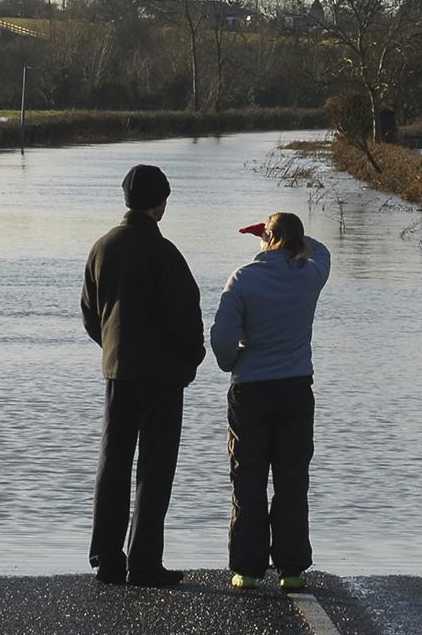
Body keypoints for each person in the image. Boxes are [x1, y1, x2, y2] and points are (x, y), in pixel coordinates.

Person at [80, 164, 205, 587]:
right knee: (154, 466)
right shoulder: (165, 253)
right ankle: (145, 561)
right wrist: (192, 360)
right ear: (160, 202)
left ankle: (108, 556)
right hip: (162, 377)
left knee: (113, 460)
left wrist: (113, 350)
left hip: (118, 371)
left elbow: (90, 314)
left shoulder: (102, 247)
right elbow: (186, 317)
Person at [210, 212, 330, 593]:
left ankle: (247, 568)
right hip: (295, 388)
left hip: (251, 390)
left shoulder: (243, 278)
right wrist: (288, 238)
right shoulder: (310, 275)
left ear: (268, 237)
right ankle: (291, 568)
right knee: (292, 479)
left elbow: (222, 342)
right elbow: (322, 250)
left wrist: (234, 361)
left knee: (248, 478)